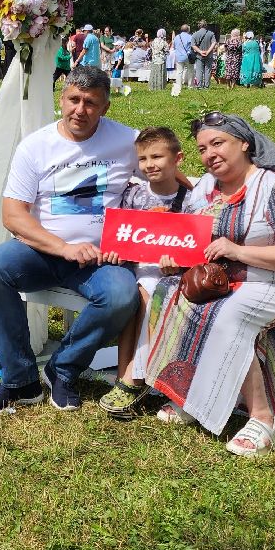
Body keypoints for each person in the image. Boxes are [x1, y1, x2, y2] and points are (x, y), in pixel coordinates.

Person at [143, 113, 275, 457]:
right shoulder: (206, 188)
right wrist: (175, 258)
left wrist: (239, 251)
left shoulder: (272, 186)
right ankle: (190, 397)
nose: (210, 154)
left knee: (229, 316)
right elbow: (192, 241)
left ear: (244, 144)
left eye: (218, 143)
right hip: (220, 282)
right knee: (170, 295)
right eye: (203, 149)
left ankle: (263, 419)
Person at [0, 67, 141, 415]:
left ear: (105, 108)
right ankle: (20, 380)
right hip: (42, 251)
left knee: (121, 295)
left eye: (91, 103)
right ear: (61, 100)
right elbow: (13, 215)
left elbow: (167, 177)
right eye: (74, 100)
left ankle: (63, 369)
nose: (80, 110)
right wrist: (63, 247)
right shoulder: (35, 146)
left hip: (100, 259)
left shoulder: (128, 142)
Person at [99, 127, 191, 420]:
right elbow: (122, 236)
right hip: (138, 268)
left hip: (173, 273)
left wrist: (177, 263)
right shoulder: (135, 195)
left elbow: (193, 246)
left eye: (157, 157)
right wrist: (117, 253)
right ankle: (129, 375)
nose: (150, 164)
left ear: (177, 159)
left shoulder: (188, 200)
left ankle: (132, 378)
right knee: (138, 293)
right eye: (143, 158)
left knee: (149, 293)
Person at [191, 21, 216, 89]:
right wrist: (208, 51)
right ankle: (206, 86)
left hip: (199, 55)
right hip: (209, 55)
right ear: (206, 25)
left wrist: (200, 51)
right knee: (207, 70)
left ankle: (199, 86)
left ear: (199, 26)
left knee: (199, 71)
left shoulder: (195, 34)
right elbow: (214, 43)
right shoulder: (211, 33)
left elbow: (193, 45)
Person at [171, 24, 194, 93]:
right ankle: (190, 85)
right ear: (188, 30)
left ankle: (179, 86)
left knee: (179, 72)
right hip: (188, 56)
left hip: (178, 56)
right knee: (190, 71)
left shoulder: (177, 37)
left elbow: (174, 47)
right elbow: (192, 47)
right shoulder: (190, 37)